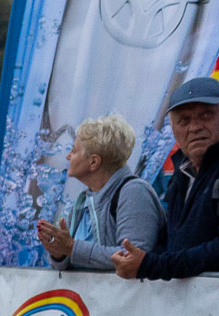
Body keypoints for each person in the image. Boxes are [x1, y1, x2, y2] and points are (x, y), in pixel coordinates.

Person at [116, 77, 219, 281]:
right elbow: (172, 238)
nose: (194, 127)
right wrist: (143, 260)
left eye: (206, 115)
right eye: (184, 120)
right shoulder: (183, 167)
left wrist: (151, 265)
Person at [35, 115, 164, 272]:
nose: (68, 156)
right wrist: (59, 254)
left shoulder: (135, 193)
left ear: (94, 162)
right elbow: (72, 259)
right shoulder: (83, 201)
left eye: (74, 150)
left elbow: (132, 258)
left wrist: (71, 248)